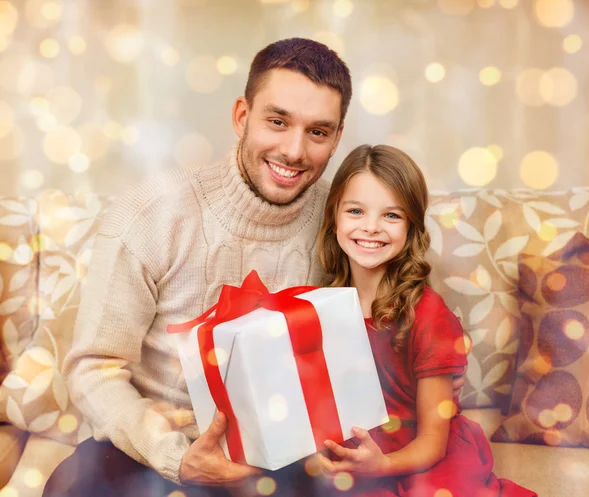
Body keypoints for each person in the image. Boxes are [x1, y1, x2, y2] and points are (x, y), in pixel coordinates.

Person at [43, 39, 464, 497]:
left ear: (337, 137)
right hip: (156, 448)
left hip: (287, 458)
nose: (294, 150)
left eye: (318, 132)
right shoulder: (148, 214)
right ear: (242, 116)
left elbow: (394, 315)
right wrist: (174, 457)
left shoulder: (346, 223)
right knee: (72, 487)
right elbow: (94, 367)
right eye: (277, 121)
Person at [311, 144, 536, 497]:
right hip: (364, 449)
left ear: (411, 225)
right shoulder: (321, 306)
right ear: (334, 218)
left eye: (391, 216)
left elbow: (433, 440)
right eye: (355, 210)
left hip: (426, 455)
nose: (371, 227)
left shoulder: (428, 314)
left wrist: (382, 465)